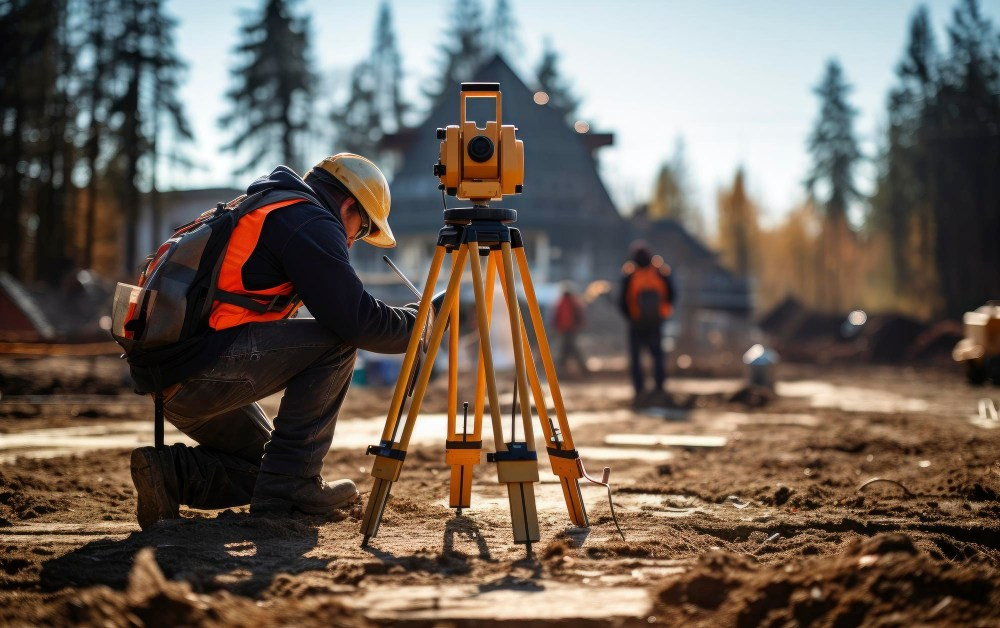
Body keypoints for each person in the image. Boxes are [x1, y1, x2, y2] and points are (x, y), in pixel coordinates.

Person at [127, 154, 440, 529]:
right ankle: (293, 487)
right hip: (199, 370)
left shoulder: (272, 208)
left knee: (266, 465)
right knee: (338, 342)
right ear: (348, 206)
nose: (353, 240)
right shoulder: (309, 221)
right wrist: (419, 323)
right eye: (361, 228)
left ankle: (169, 475)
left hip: (169, 379)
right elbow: (357, 321)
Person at [619, 241, 676, 408]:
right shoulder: (660, 271)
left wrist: (631, 317)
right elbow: (672, 294)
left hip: (636, 323)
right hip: (655, 323)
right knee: (657, 356)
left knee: (636, 358)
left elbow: (622, 300)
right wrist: (662, 314)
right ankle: (659, 389)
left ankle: (639, 391)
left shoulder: (629, 272)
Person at [552, 283, 589, 376]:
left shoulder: (560, 302)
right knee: (569, 349)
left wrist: (556, 327)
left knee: (567, 349)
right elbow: (579, 316)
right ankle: (582, 369)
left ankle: (559, 370)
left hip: (566, 329)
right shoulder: (574, 302)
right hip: (570, 329)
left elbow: (555, 317)